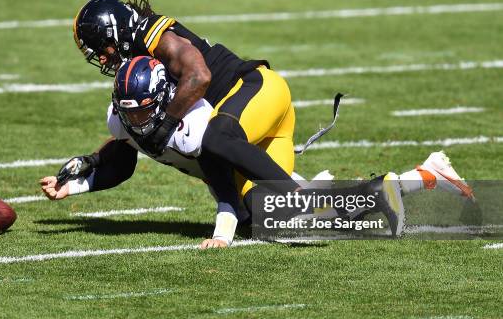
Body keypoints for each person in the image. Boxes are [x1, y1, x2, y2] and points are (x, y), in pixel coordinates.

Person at [40, 57, 474, 247]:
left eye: (141, 113)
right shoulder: (128, 118)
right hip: (241, 148)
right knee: (282, 222)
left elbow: (222, 186)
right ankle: (417, 177)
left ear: (163, 96)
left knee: (294, 221)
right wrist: (81, 179)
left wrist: (222, 232)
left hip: (260, 136)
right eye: (127, 114)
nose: (134, 122)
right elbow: (124, 155)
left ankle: (415, 176)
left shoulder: (193, 128)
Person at [69, 0, 319, 248]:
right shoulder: (136, 58)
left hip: (257, 90)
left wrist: (166, 124)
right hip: (242, 127)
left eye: (101, 48)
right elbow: (127, 144)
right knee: (259, 215)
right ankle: (343, 203)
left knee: (214, 138)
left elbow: (199, 76)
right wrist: (91, 163)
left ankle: (297, 195)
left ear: (114, 32)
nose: (101, 58)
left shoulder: (153, 38)